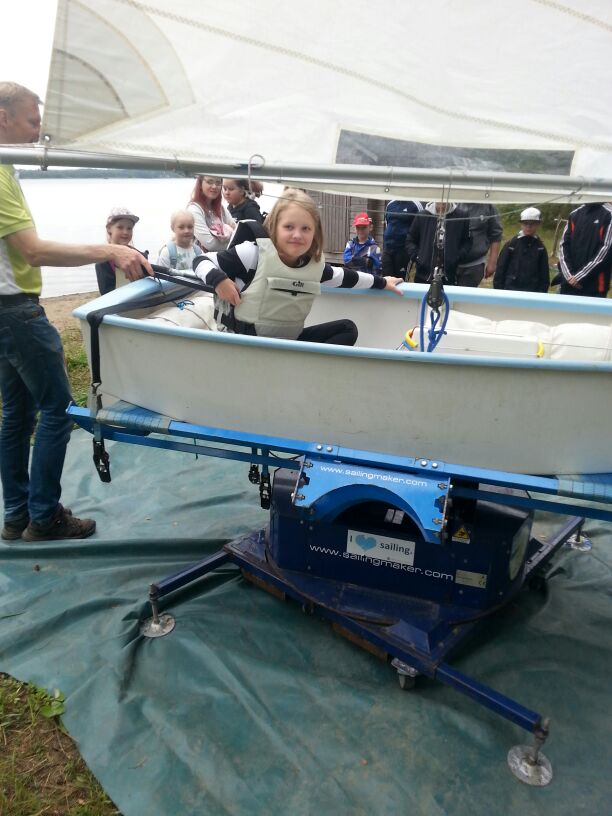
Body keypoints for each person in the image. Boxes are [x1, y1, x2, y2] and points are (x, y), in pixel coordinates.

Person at [0, 82, 151, 542]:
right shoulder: (0, 174)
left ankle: (17, 515)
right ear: (3, 118)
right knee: (58, 409)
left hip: (4, 312)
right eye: (32, 121)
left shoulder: (7, 170)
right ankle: (44, 517)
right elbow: (32, 251)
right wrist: (108, 250)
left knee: (16, 415)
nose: (39, 131)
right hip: (17, 312)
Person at [192, 188, 403, 344]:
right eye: (289, 227)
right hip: (246, 344)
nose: (297, 235)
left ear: (315, 233)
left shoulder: (314, 267)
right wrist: (219, 281)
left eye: (305, 229)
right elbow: (200, 261)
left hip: (289, 345)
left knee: (348, 329)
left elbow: (346, 277)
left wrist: (383, 282)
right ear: (274, 227)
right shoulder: (252, 254)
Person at [405, 201, 471, 284]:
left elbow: (467, 241)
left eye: (444, 203)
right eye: (439, 202)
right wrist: (419, 257)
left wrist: (456, 257)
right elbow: (410, 239)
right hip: (423, 275)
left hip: (449, 275)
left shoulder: (461, 216)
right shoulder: (422, 216)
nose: (442, 204)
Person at [557, 202, 612, 298]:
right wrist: (569, 275)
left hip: (594, 287)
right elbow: (563, 245)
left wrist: (579, 277)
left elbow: (606, 250)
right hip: (569, 284)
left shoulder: (609, 215)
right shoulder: (574, 214)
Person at [493, 207, 550, 293]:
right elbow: (500, 269)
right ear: (521, 224)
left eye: (532, 224)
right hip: (510, 290)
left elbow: (544, 274)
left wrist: (541, 292)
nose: (528, 227)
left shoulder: (540, 248)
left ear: (538, 224)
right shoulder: (511, 245)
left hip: (532, 291)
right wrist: (499, 291)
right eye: (525, 223)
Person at [95, 207, 148, 295]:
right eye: (120, 227)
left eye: (129, 228)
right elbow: (106, 294)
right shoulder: (103, 261)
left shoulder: (139, 256)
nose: (125, 232)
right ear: (109, 228)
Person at [455, 203, 503, 287]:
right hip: (450, 264)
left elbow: (496, 235)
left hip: (475, 264)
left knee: (467, 294)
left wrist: (492, 263)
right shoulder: (452, 203)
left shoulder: (488, 206)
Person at [187, 175, 235, 252]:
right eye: (210, 182)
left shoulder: (221, 209)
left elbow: (236, 229)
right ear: (200, 184)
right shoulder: (194, 210)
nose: (214, 186)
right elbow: (210, 244)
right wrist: (232, 243)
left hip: (222, 256)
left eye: (218, 183)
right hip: (202, 257)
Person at [381, 200, 423, 279]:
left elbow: (421, 227)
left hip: (404, 251)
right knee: (386, 279)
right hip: (388, 249)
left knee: (401, 281)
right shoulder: (390, 204)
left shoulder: (415, 204)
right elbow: (387, 224)